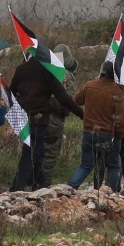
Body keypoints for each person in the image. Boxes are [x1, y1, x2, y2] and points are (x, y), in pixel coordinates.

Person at [9, 54, 83, 192]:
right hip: (40, 118)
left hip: (24, 117)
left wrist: (18, 107)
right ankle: (17, 187)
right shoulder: (47, 70)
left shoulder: (20, 69)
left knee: (37, 151)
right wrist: (80, 113)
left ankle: (41, 183)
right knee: (30, 151)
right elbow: (63, 96)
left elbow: (11, 93)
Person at [69, 61, 124, 191]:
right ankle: (110, 194)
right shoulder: (118, 91)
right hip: (109, 134)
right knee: (113, 166)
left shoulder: (89, 85)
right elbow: (121, 119)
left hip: (89, 133)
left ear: (101, 71)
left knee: (85, 165)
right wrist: (120, 135)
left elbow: (77, 100)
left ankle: (69, 189)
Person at [42, 44, 77, 186]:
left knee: (36, 153)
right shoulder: (66, 75)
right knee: (50, 155)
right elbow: (68, 103)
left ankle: (30, 184)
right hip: (54, 121)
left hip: (36, 118)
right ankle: (43, 186)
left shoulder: (43, 69)